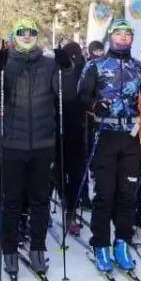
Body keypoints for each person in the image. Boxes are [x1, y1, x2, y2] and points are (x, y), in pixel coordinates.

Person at [77, 19, 141, 271]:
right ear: (111, 37)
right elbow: (81, 96)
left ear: (132, 39)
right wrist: (93, 105)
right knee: (105, 193)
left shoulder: (139, 68)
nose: (123, 38)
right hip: (105, 134)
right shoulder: (96, 65)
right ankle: (100, 243)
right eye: (119, 34)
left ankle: (121, 241)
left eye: (127, 35)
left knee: (127, 194)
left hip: (131, 136)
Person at [0, 18, 70, 277]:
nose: (27, 36)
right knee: (12, 199)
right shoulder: (7, 63)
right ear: (15, 36)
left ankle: (38, 247)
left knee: (40, 199)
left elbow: (66, 94)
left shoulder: (49, 64)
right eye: (22, 32)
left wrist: (67, 68)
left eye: (31, 32)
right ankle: (8, 248)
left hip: (43, 143)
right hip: (13, 144)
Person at [58, 41, 87, 236]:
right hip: (58, 129)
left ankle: (71, 211)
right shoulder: (58, 71)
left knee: (76, 174)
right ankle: (65, 205)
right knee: (59, 172)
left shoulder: (84, 69)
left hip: (78, 130)